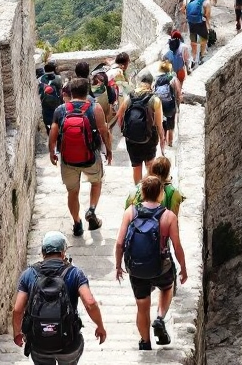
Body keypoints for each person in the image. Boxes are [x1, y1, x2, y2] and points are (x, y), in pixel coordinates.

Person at [13, 231, 107, 365]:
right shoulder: (74, 273)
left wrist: (17, 333)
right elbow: (90, 302)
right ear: (64, 253)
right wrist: (100, 326)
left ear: (42, 252)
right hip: (68, 342)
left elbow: (18, 310)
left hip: (39, 342)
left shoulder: (28, 274)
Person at [115, 176, 188, 350]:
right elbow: (177, 246)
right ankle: (160, 317)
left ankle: (145, 342)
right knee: (167, 288)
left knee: (142, 305)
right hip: (161, 267)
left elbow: (119, 243)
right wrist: (183, 268)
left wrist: (118, 266)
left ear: (142, 192)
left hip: (137, 268)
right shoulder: (168, 216)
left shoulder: (130, 212)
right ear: (161, 194)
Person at [49, 78, 113, 236]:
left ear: (71, 93)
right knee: (96, 182)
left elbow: (53, 132)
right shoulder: (95, 108)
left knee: (73, 192)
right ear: (87, 92)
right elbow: (104, 131)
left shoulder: (61, 110)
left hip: (68, 160)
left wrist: (52, 151)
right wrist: (109, 150)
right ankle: (91, 209)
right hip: (90, 156)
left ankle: (77, 223)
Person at [116, 69, 166, 184]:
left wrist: (125, 129)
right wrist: (162, 139)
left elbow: (119, 115)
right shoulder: (155, 100)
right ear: (151, 83)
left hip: (132, 139)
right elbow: (159, 124)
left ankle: (138, 193)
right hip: (150, 137)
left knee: (136, 167)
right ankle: (149, 191)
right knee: (150, 165)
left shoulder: (129, 97)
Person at [153, 59, 182, 148]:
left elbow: (153, 91)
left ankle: (162, 141)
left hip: (160, 104)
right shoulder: (173, 78)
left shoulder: (156, 79)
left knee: (162, 123)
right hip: (170, 104)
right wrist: (178, 102)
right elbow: (178, 91)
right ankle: (170, 142)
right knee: (171, 123)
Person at [184, 0, 211, 67]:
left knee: (193, 40)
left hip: (191, 23)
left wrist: (188, 16)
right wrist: (208, 25)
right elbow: (207, 15)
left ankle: (193, 58)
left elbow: (182, 10)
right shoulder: (206, 2)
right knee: (203, 39)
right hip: (201, 23)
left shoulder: (187, 0)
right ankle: (202, 56)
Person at [37, 61, 63, 135]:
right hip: (56, 103)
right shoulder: (58, 78)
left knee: (48, 122)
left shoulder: (40, 79)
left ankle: (50, 134)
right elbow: (60, 92)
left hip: (45, 103)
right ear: (54, 69)